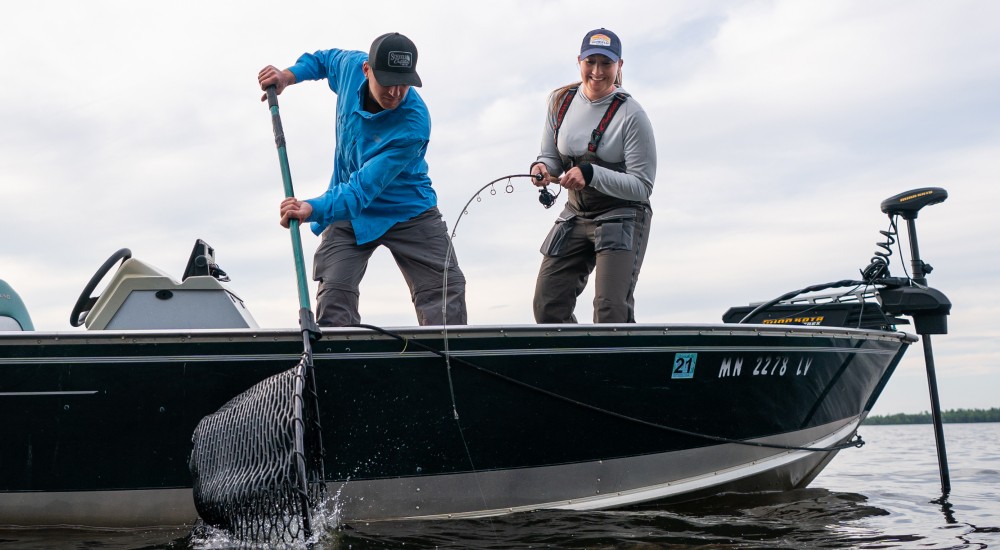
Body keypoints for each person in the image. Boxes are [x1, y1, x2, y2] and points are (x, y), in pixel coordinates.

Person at [259, 32, 467, 327]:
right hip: (348, 213)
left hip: (408, 211)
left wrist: (312, 208)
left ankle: (451, 365)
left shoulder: (414, 124)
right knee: (334, 299)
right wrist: (288, 76)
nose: (395, 92)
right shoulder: (350, 66)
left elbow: (362, 190)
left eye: (404, 83)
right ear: (367, 70)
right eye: (387, 82)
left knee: (444, 296)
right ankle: (338, 365)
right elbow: (323, 60)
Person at [529, 28, 657, 324]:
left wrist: (591, 173)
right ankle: (572, 368)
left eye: (606, 64)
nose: (597, 71)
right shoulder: (559, 102)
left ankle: (617, 369)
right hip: (576, 213)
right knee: (547, 304)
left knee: (611, 310)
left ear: (619, 66)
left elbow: (642, 186)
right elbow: (550, 158)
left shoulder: (633, 115)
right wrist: (542, 169)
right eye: (591, 62)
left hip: (623, 214)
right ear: (579, 62)